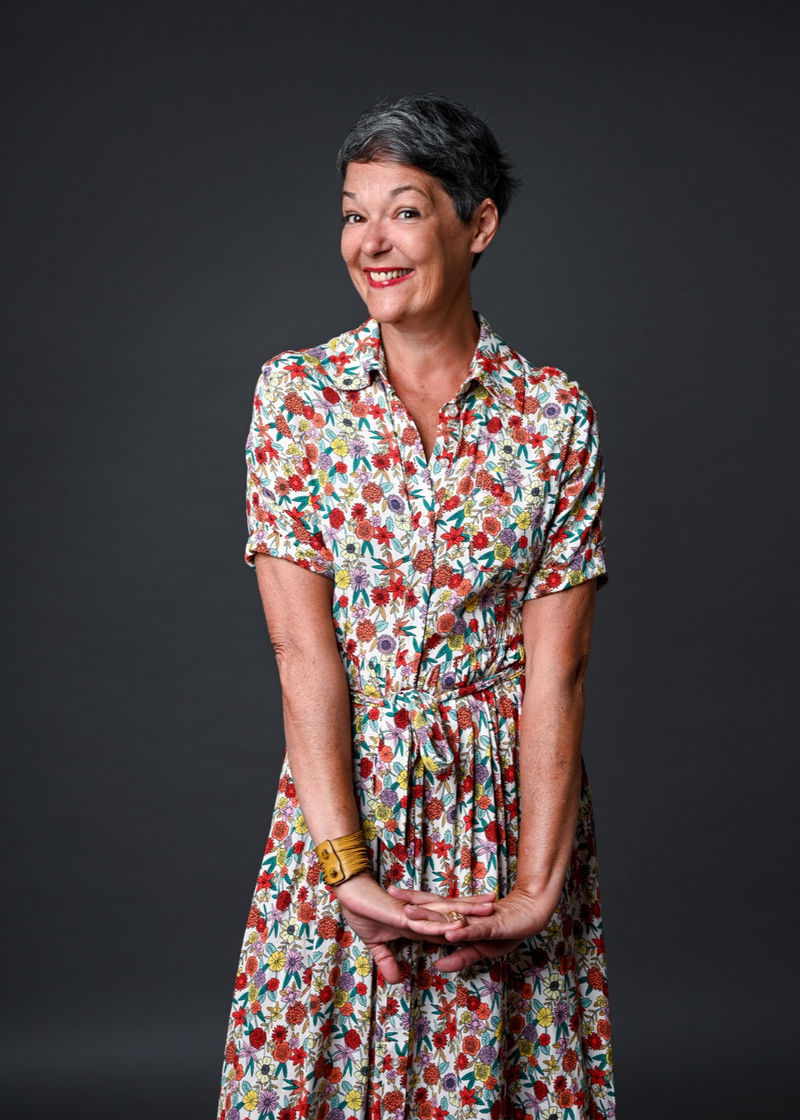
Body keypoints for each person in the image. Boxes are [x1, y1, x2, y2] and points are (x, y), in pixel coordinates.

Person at [217, 94, 615, 1120]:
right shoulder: (298, 397)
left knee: (497, 1076)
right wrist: (343, 869)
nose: (371, 242)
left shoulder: (552, 415)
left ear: (477, 225)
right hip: (345, 805)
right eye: (353, 215)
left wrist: (534, 891)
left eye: (403, 211)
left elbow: (556, 668)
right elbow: (302, 654)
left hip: (500, 811)